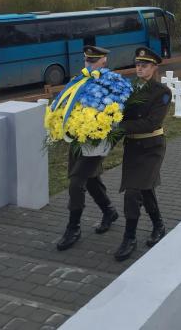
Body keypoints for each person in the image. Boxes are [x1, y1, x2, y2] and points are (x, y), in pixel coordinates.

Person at [56, 46, 118, 251]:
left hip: (96, 140)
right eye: (86, 61)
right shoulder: (79, 80)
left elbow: (117, 113)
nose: (89, 64)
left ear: (104, 61)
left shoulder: (111, 83)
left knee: (76, 183)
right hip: (77, 139)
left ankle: (73, 227)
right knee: (90, 179)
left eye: (94, 61)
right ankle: (109, 211)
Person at [114, 47, 172, 261]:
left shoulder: (162, 92)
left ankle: (129, 237)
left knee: (133, 192)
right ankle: (159, 225)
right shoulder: (129, 90)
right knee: (145, 190)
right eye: (137, 64)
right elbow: (118, 113)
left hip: (151, 148)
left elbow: (151, 122)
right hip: (133, 148)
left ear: (154, 67)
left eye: (144, 65)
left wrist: (119, 126)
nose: (139, 68)